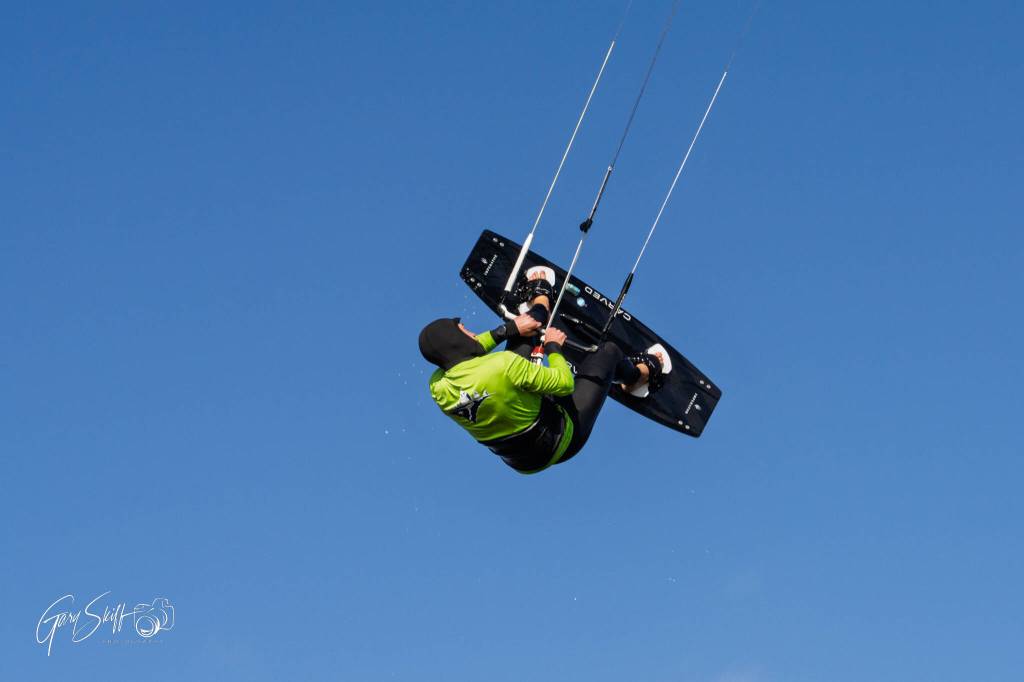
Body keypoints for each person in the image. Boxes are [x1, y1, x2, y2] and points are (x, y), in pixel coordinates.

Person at [418, 271, 663, 474]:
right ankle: (638, 378)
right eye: (465, 331)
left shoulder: (437, 387)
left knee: (524, 333)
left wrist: (509, 329)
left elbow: (471, 350)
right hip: (560, 440)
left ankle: (540, 304)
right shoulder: (503, 365)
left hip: (520, 461)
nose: (472, 332)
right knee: (609, 351)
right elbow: (564, 384)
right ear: (456, 342)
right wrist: (554, 347)